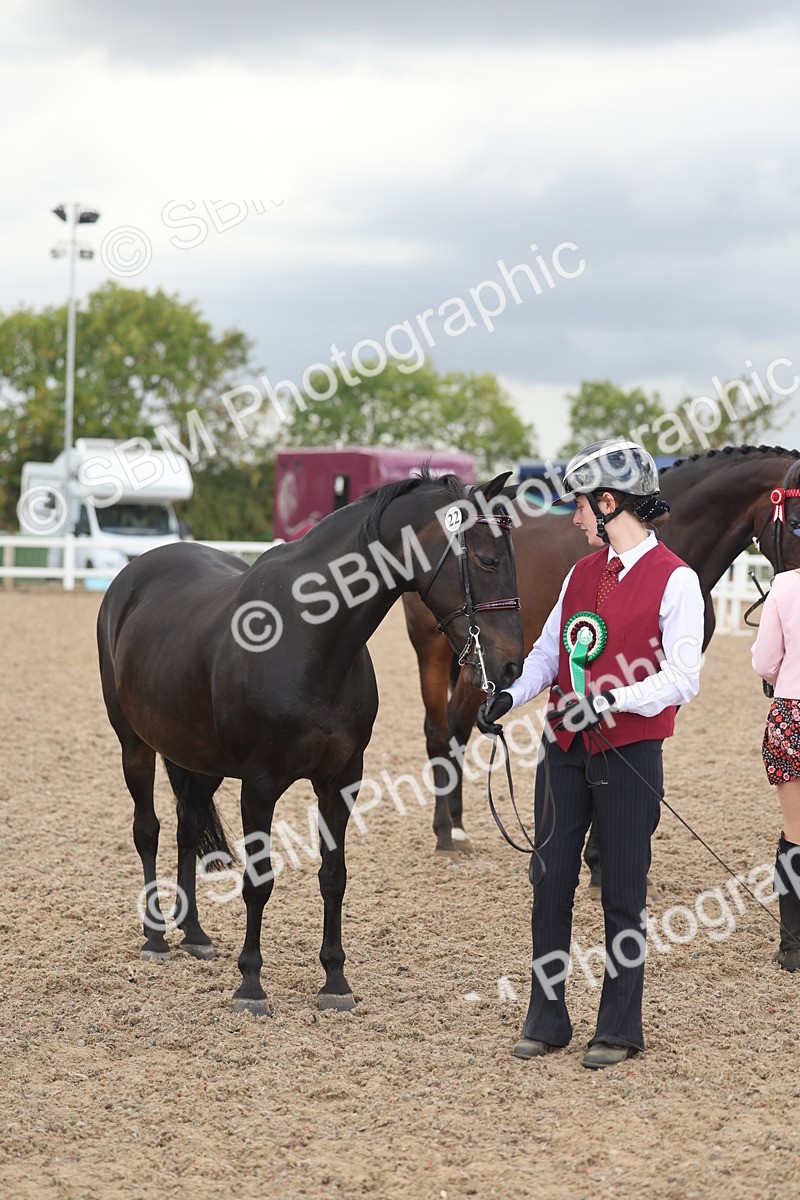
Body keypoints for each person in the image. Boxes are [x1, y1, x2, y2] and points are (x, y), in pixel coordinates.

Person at [478, 439, 704, 1069]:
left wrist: (607, 702)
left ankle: (619, 1026)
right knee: (549, 881)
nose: (573, 517)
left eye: (579, 505)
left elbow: (683, 677)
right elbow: (549, 654)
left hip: (630, 755)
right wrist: (510, 697)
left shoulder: (677, 580)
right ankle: (547, 1017)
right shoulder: (580, 574)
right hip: (564, 748)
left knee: (623, 894)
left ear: (608, 503)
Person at [751, 569, 800, 971]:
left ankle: (793, 946)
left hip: (792, 711)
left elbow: (766, 661)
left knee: (796, 830)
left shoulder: (784, 585)